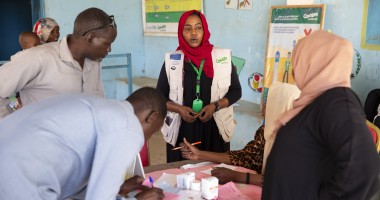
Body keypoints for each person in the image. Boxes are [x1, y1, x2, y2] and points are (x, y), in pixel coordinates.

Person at [262, 30, 380, 199]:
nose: (295, 70)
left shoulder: (337, 104)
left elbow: (364, 169)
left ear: (314, 62)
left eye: (298, 61)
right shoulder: (317, 101)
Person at [0, 87, 165, 200]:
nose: (146, 139)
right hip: (20, 177)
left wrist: (116, 190)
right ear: (152, 117)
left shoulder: (100, 106)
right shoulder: (128, 126)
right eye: (153, 130)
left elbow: (76, 174)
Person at [0, 7, 117, 119]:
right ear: (90, 38)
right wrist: (12, 124)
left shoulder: (93, 62)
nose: (109, 49)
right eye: (107, 43)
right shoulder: (39, 57)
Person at [156, 10, 242, 163]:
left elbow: (236, 91)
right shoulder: (172, 61)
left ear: (205, 30)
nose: (193, 33)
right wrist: (179, 109)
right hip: (182, 130)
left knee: (213, 176)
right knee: (181, 176)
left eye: (198, 28)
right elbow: (159, 97)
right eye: (188, 29)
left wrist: (215, 106)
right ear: (181, 32)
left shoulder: (221, 58)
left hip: (215, 129)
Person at [179, 81, 300, 186]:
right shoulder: (265, 131)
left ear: (281, 105)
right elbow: (245, 157)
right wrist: (199, 154)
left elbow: (283, 181)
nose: (263, 106)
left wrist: (237, 176)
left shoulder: (297, 141)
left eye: (269, 101)